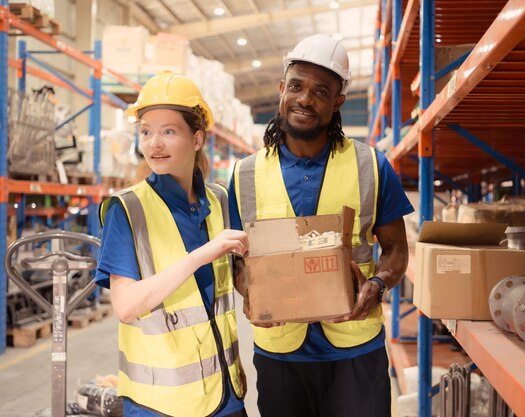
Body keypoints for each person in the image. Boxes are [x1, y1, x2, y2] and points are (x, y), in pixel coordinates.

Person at [228, 34, 414, 417]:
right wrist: (250, 291)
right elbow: (237, 259)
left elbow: (396, 249)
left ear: (337, 102)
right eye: (296, 86)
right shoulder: (245, 174)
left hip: (355, 349)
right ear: (282, 89)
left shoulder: (371, 166)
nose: (305, 100)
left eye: (321, 92)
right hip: (280, 349)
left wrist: (377, 286)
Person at [96, 71, 249, 417]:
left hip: (227, 393)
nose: (154, 144)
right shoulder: (127, 210)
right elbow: (126, 305)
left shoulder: (221, 201)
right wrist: (202, 255)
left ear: (197, 139)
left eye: (168, 131)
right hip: (160, 404)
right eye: (146, 132)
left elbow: (241, 279)